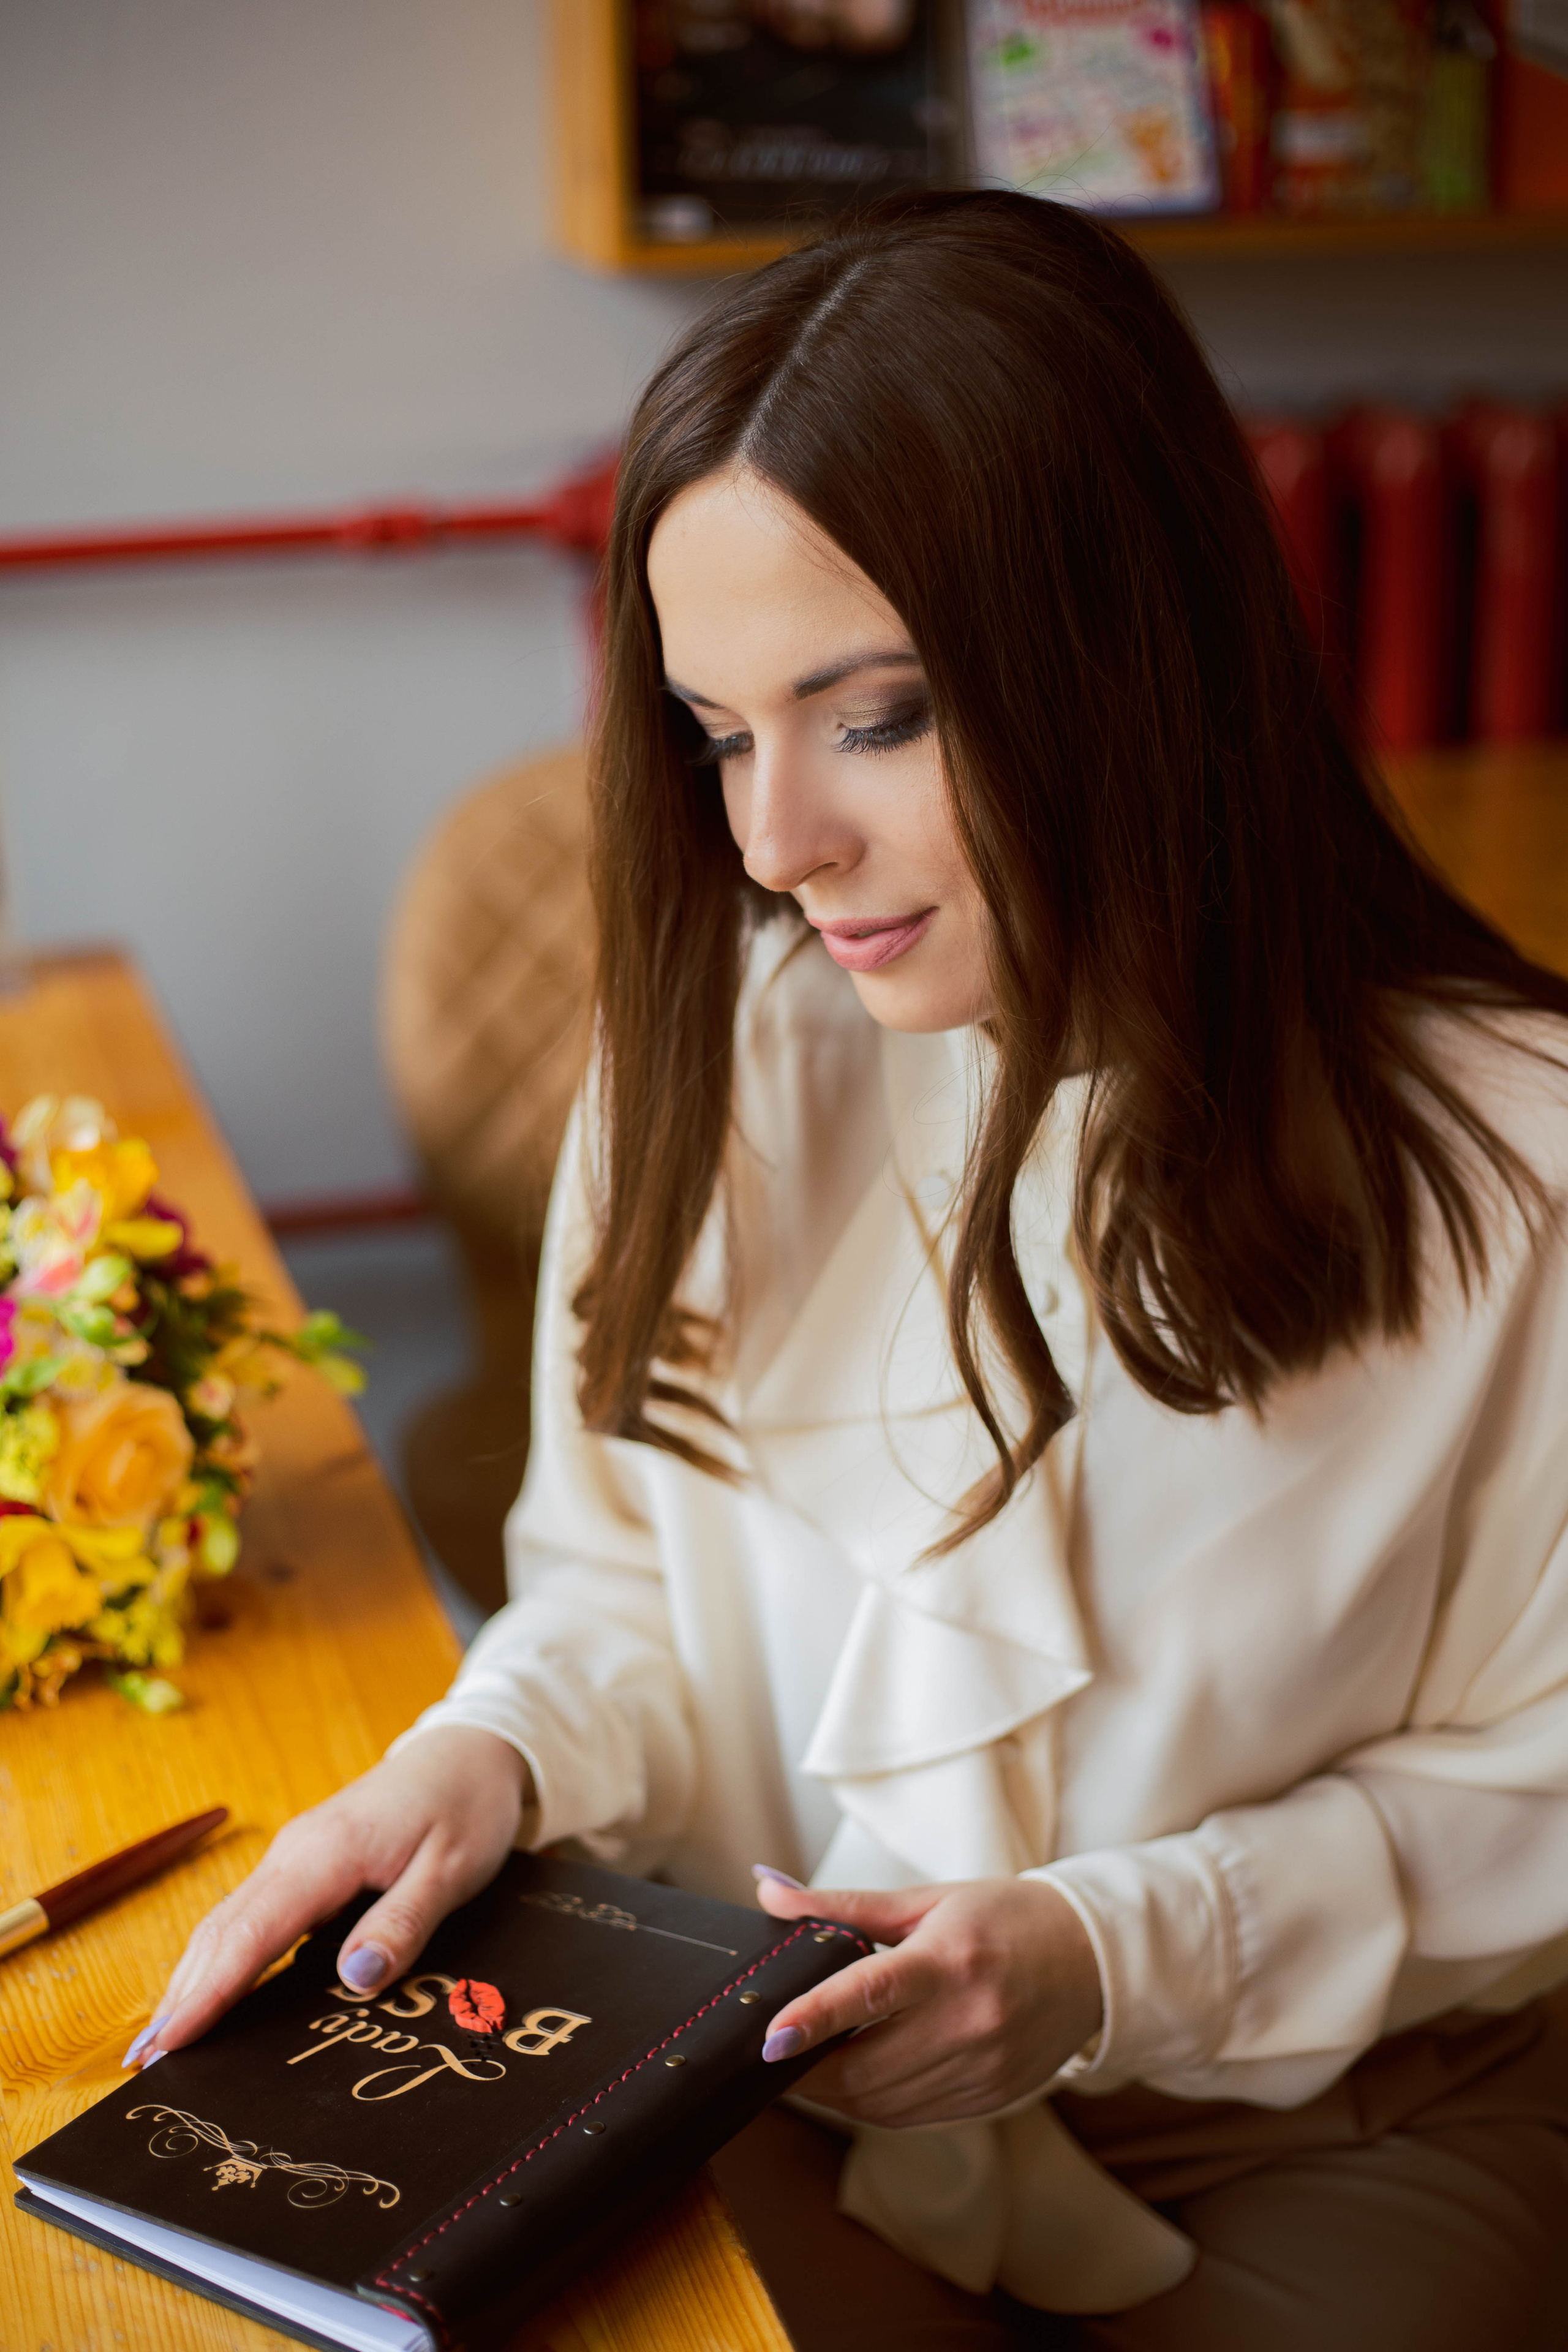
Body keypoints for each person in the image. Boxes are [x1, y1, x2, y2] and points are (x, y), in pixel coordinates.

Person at [137, 193, 1568, 2349]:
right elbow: (619, 1579)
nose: (773, 839)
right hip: (773, 2092)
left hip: (1322, 2134)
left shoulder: (1519, 1172)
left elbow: (1536, 1792)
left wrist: (1106, 1959)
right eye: (718, 731)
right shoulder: (718, 1052)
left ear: (1128, 650)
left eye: (874, 715)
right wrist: (489, 1750)